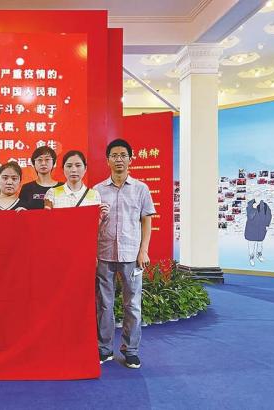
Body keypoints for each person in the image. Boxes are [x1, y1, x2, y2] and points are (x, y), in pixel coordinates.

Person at [94, 138, 155, 369]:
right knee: (104, 304)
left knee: (133, 305)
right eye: (114, 155)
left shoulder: (141, 189)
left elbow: (146, 221)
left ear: (131, 159)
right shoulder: (97, 191)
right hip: (104, 254)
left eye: (123, 155)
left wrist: (144, 250)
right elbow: (91, 224)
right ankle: (104, 348)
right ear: (107, 160)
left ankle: (131, 350)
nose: (119, 159)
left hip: (132, 255)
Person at [244, 191, 272, 267]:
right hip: (251, 228)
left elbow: (269, 215)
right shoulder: (250, 205)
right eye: (256, 195)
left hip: (261, 228)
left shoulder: (265, 205)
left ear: (261, 196)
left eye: (259, 195)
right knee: (251, 244)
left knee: (260, 244)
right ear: (254, 196)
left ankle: (259, 255)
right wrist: (254, 208)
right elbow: (250, 217)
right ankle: (251, 258)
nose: (258, 197)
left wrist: (267, 225)